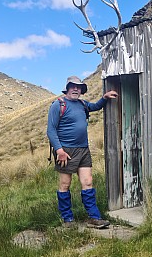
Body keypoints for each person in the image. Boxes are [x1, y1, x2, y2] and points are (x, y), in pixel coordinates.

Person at [47, 76, 118, 228]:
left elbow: (95, 106)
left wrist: (104, 98)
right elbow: (51, 130)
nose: (75, 89)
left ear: (81, 90)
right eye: (72, 86)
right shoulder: (58, 105)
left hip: (83, 149)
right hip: (65, 151)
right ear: (67, 88)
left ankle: (94, 218)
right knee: (65, 184)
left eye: (78, 87)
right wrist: (59, 150)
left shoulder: (82, 104)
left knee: (88, 182)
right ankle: (68, 219)